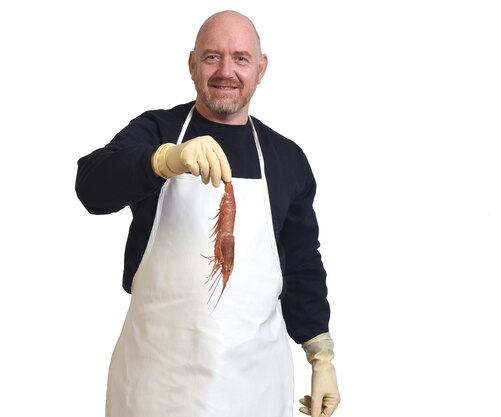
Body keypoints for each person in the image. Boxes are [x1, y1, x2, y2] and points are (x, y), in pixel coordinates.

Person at [75, 10, 340, 417]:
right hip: (154, 385)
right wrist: (164, 159)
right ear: (193, 65)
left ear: (261, 68)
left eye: (241, 58)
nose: (226, 71)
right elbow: (91, 187)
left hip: (254, 387)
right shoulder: (158, 131)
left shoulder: (286, 159)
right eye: (212, 57)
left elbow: (302, 263)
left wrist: (320, 356)